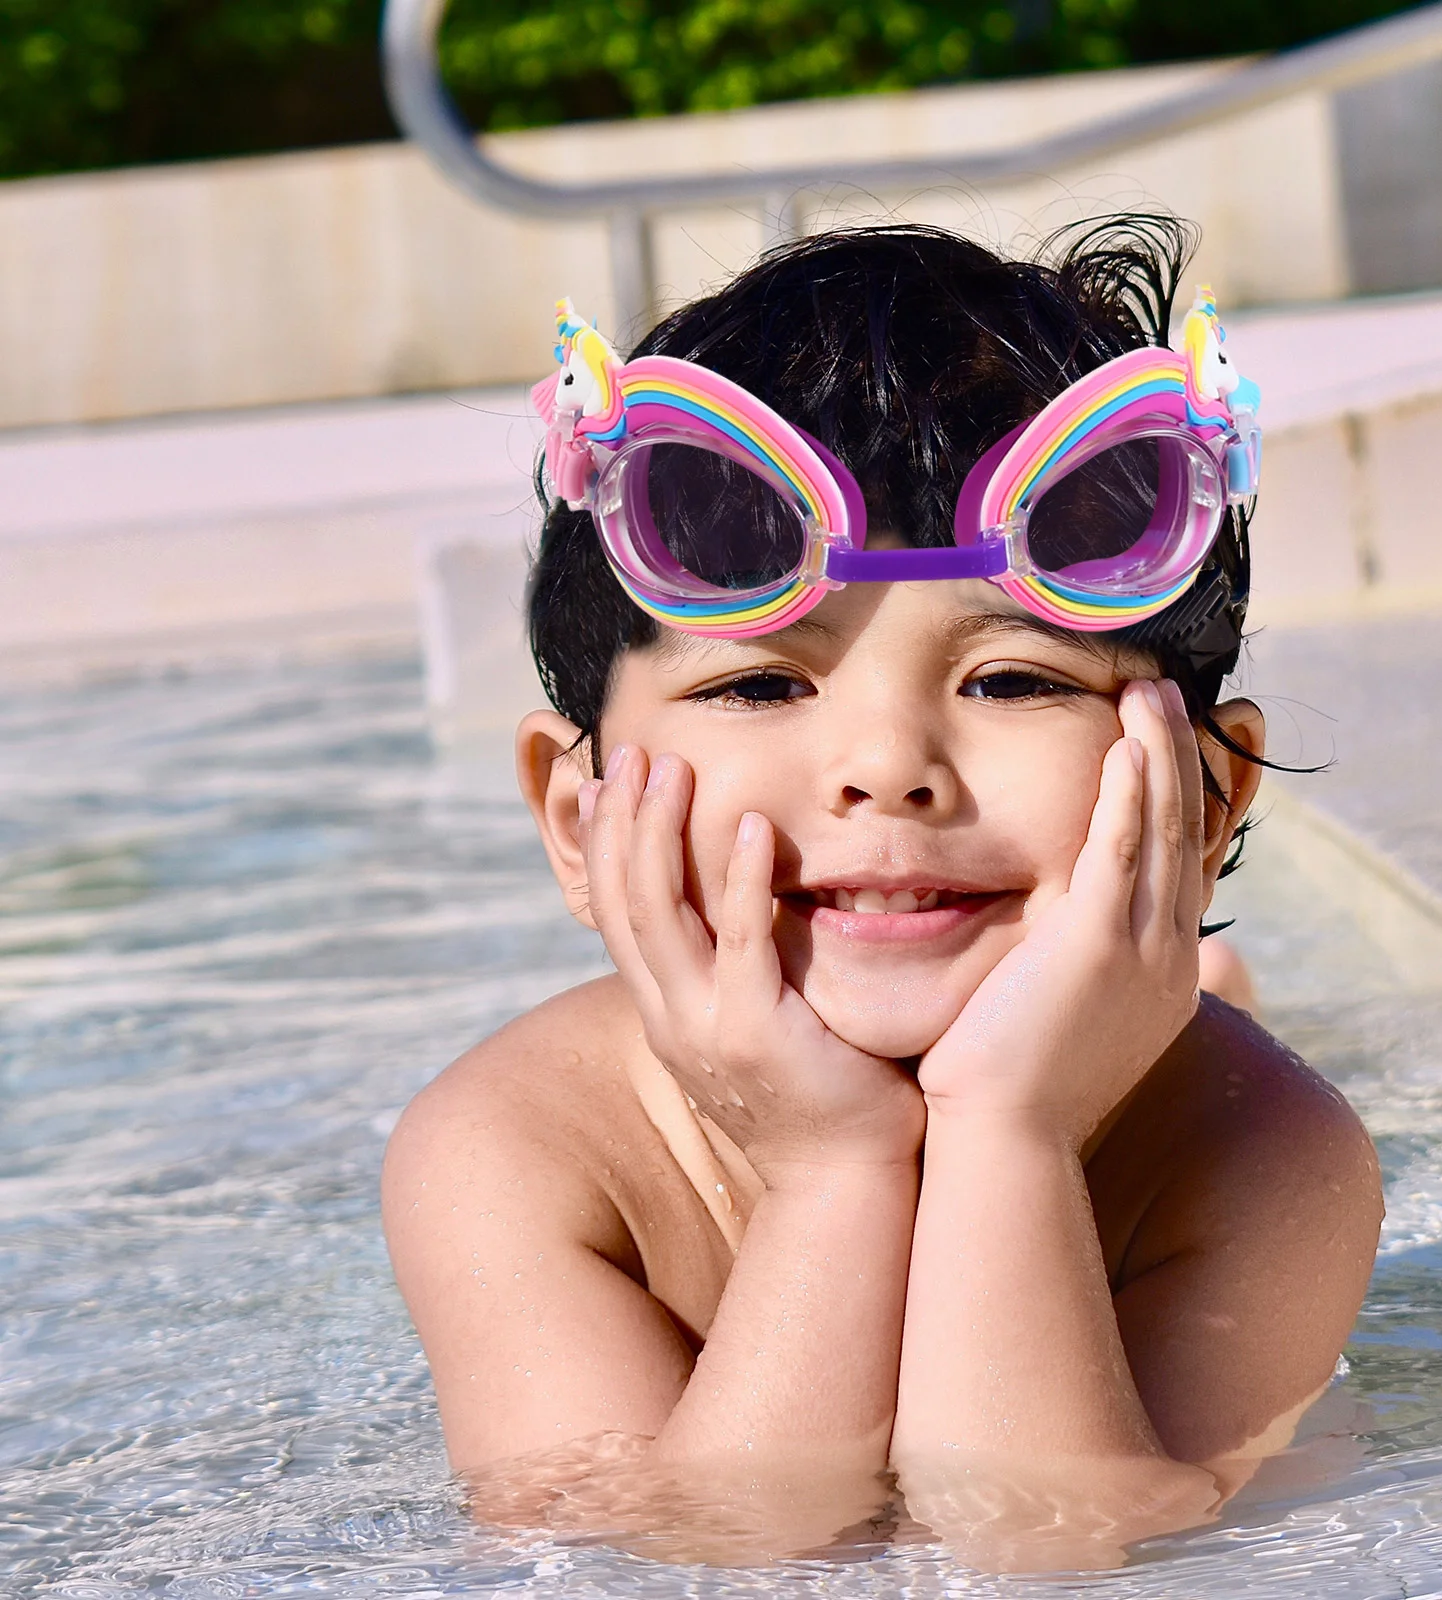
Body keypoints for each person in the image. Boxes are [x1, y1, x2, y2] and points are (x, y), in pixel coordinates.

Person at [382, 219, 1383, 1571]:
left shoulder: (1263, 1152)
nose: (887, 770)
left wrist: (1013, 1131)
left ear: (1205, 801)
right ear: (576, 816)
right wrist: (833, 1172)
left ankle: (1203, 986)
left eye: (1015, 680)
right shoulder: (518, 1151)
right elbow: (685, 1562)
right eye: (759, 683)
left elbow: (1048, 1542)